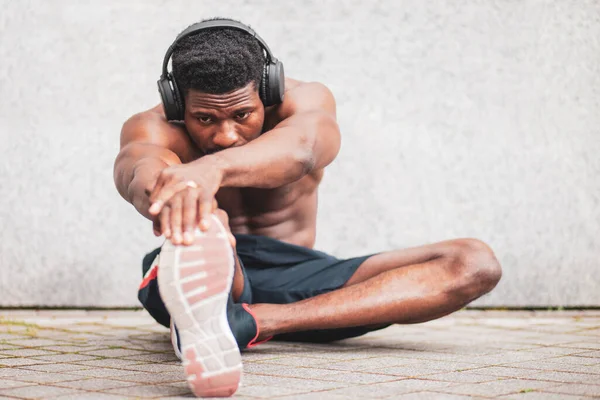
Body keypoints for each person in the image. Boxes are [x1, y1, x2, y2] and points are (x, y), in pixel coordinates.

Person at [113, 17, 502, 398]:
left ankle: (247, 323)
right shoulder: (154, 126)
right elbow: (136, 171)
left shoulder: (304, 102)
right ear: (177, 100)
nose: (226, 134)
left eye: (242, 115)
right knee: (209, 220)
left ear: (267, 89)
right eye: (205, 118)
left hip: (300, 275)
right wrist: (165, 191)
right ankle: (211, 277)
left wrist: (209, 168)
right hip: (211, 260)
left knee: (473, 262)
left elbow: (303, 150)